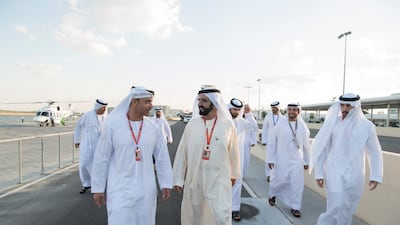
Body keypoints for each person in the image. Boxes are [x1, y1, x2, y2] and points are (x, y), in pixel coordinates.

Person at [91, 86, 173, 225]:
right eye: (147, 102)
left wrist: (165, 183)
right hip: (119, 188)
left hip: (146, 189)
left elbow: (162, 157)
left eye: (151, 102)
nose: (151, 106)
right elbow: (101, 158)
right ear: (134, 102)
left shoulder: (153, 128)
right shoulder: (113, 126)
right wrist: (98, 188)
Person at [310, 93, 383, 225]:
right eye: (342, 105)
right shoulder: (333, 123)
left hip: (355, 173)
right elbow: (323, 148)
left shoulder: (367, 127)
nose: (344, 109)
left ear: (356, 107)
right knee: (336, 205)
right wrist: (319, 172)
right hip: (334, 170)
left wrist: (375, 175)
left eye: (348, 106)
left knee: (348, 207)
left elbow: (374, 151)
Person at [173, 86, 241, 225]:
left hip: (218, 181)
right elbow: (182, 153)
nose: (200, 104)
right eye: (199, 100)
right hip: (195, 181)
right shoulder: (192, 125)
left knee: (220, 217)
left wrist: (233, 175)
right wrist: (178, 179)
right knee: (195, 217)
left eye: (204, 101)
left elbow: (233, 152)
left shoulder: (227, 126)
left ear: (214, 103)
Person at [267, 102, 310, 218]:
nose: (291, 112)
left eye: (294, 110)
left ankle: (295, 207)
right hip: (281, 159)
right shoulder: (280, 125)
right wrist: (271, 158)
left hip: (297, 160)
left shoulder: (302, 127)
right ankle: (272, 194)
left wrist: (306, 161)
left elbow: (306, 146)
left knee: (297, 184)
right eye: (290, 110)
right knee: (279, 180)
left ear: (298, 112)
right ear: (287, 111)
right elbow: (272, 142)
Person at [227, 98, 258, 221]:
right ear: (229, 108)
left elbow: (254, 127)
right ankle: (223, 208)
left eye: (238, 110)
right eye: (234, 109)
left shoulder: (242, 122)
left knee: (237, 184)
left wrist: (249, 113)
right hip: (223, 159)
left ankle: (234, 209)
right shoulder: (221, 120)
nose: (236, 112)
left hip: (237, 158)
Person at [74, 98, 108, 194]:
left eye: (105, 107)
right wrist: (77, 140)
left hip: (100, 147)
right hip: (87, 147)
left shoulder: (106, 117)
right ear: (98, 106)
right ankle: (86, 184)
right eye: (103, 107)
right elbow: (78, 127)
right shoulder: (87, 116)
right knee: (84, 165)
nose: (104, 109)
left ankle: (97, 187)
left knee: (99, 167)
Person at [261, 101, 285, 182]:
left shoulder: (283, 118)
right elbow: (264, 129)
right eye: (272, 108)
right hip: (269, 141)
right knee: (269, 158)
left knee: (279, 158)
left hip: (280, 141)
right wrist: (264, 140)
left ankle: (276, 175)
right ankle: (268, 174)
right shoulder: (268, 117)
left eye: (275, 108)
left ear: (278, 108)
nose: (273, 109)